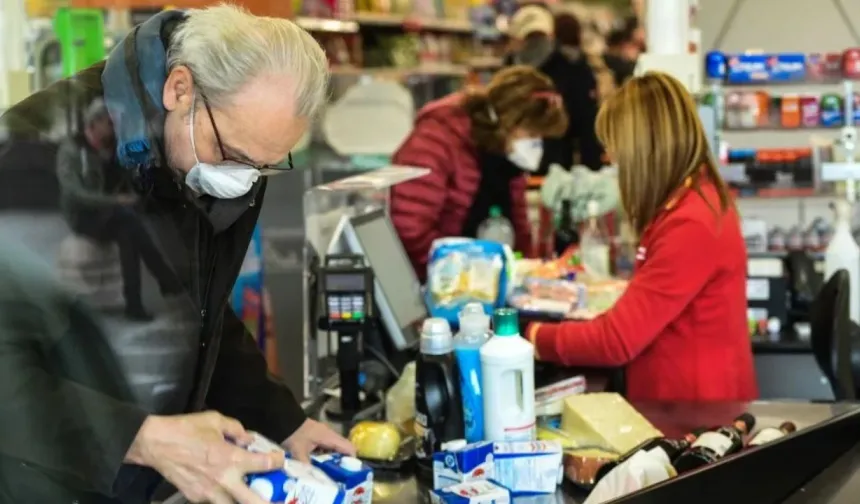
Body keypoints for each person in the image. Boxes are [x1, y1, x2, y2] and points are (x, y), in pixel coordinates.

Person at [0, 5, 353, 504]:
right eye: (231, 156)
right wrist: (140, 437)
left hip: (149, 476)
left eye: (265, 166)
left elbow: (198, 311)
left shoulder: (222, 147)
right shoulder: (30, 159)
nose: (242, 179)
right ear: (179, 89)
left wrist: (281, 418)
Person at [525, 72, 758, 402]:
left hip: (693, 415)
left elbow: (616, 341)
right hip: (687, 401)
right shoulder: (691, 202)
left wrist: (530, 336)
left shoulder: (691, 224)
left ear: (643, 152)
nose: (614, 162)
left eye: (617, 152)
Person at [389, 66, 568, 280]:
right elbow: (410, 226)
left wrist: (527, 272)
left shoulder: (505, 155)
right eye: (531, 133)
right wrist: (460, 273)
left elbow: (518, 224)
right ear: (507, 121)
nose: (536, 144)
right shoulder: (436, 139)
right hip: (433, 283)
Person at [57, 98, 180, 321]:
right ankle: (164, 279)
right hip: (83, 217)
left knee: (128, 231)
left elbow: (127, 179)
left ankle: (134, 304)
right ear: (94, 124)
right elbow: (77, 195)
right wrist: (115, 201)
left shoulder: (110, 150)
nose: (114, 130)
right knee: (128, 220)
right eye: (110, 124)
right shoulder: (72, 151)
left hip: (109, 215)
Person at [506, 5, 602, 172]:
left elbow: (586, 124)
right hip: (538, 170)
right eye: (530, 38)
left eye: (538, 37)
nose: (535, 45)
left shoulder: (571, 69)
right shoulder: (572, 68)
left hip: (548, 170)